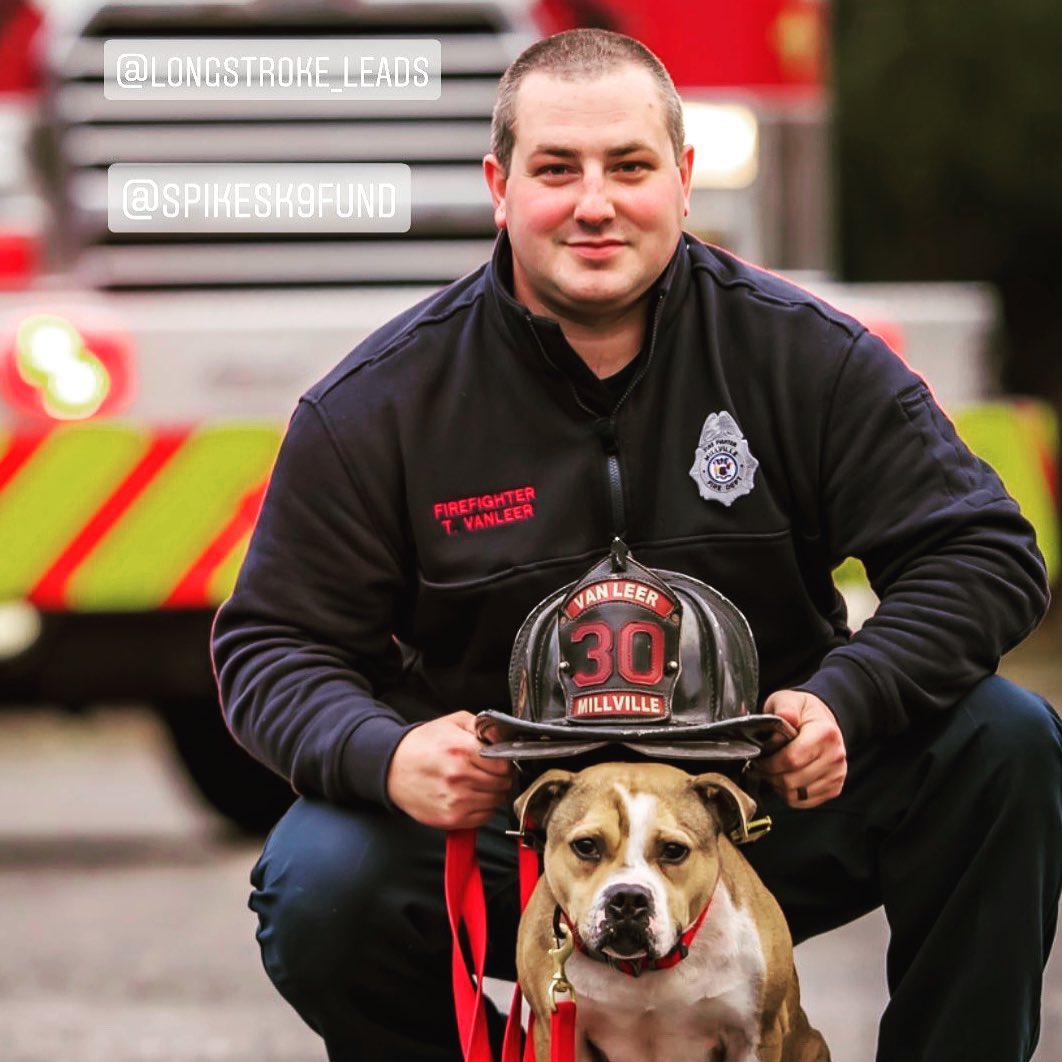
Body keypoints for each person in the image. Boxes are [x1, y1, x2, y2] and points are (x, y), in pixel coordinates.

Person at [211, 28, 1061, 1062]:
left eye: (630, 165)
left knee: (1003, 745)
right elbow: (271, 645)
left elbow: (984, 553)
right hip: (521, 836)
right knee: (320, 881)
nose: (595, 204)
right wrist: (387, 755)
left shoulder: (808, 359)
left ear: (685, 178)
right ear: (499, 183)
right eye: (556, 169)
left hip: (760, 806)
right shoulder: (377, 407)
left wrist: (846, 697)